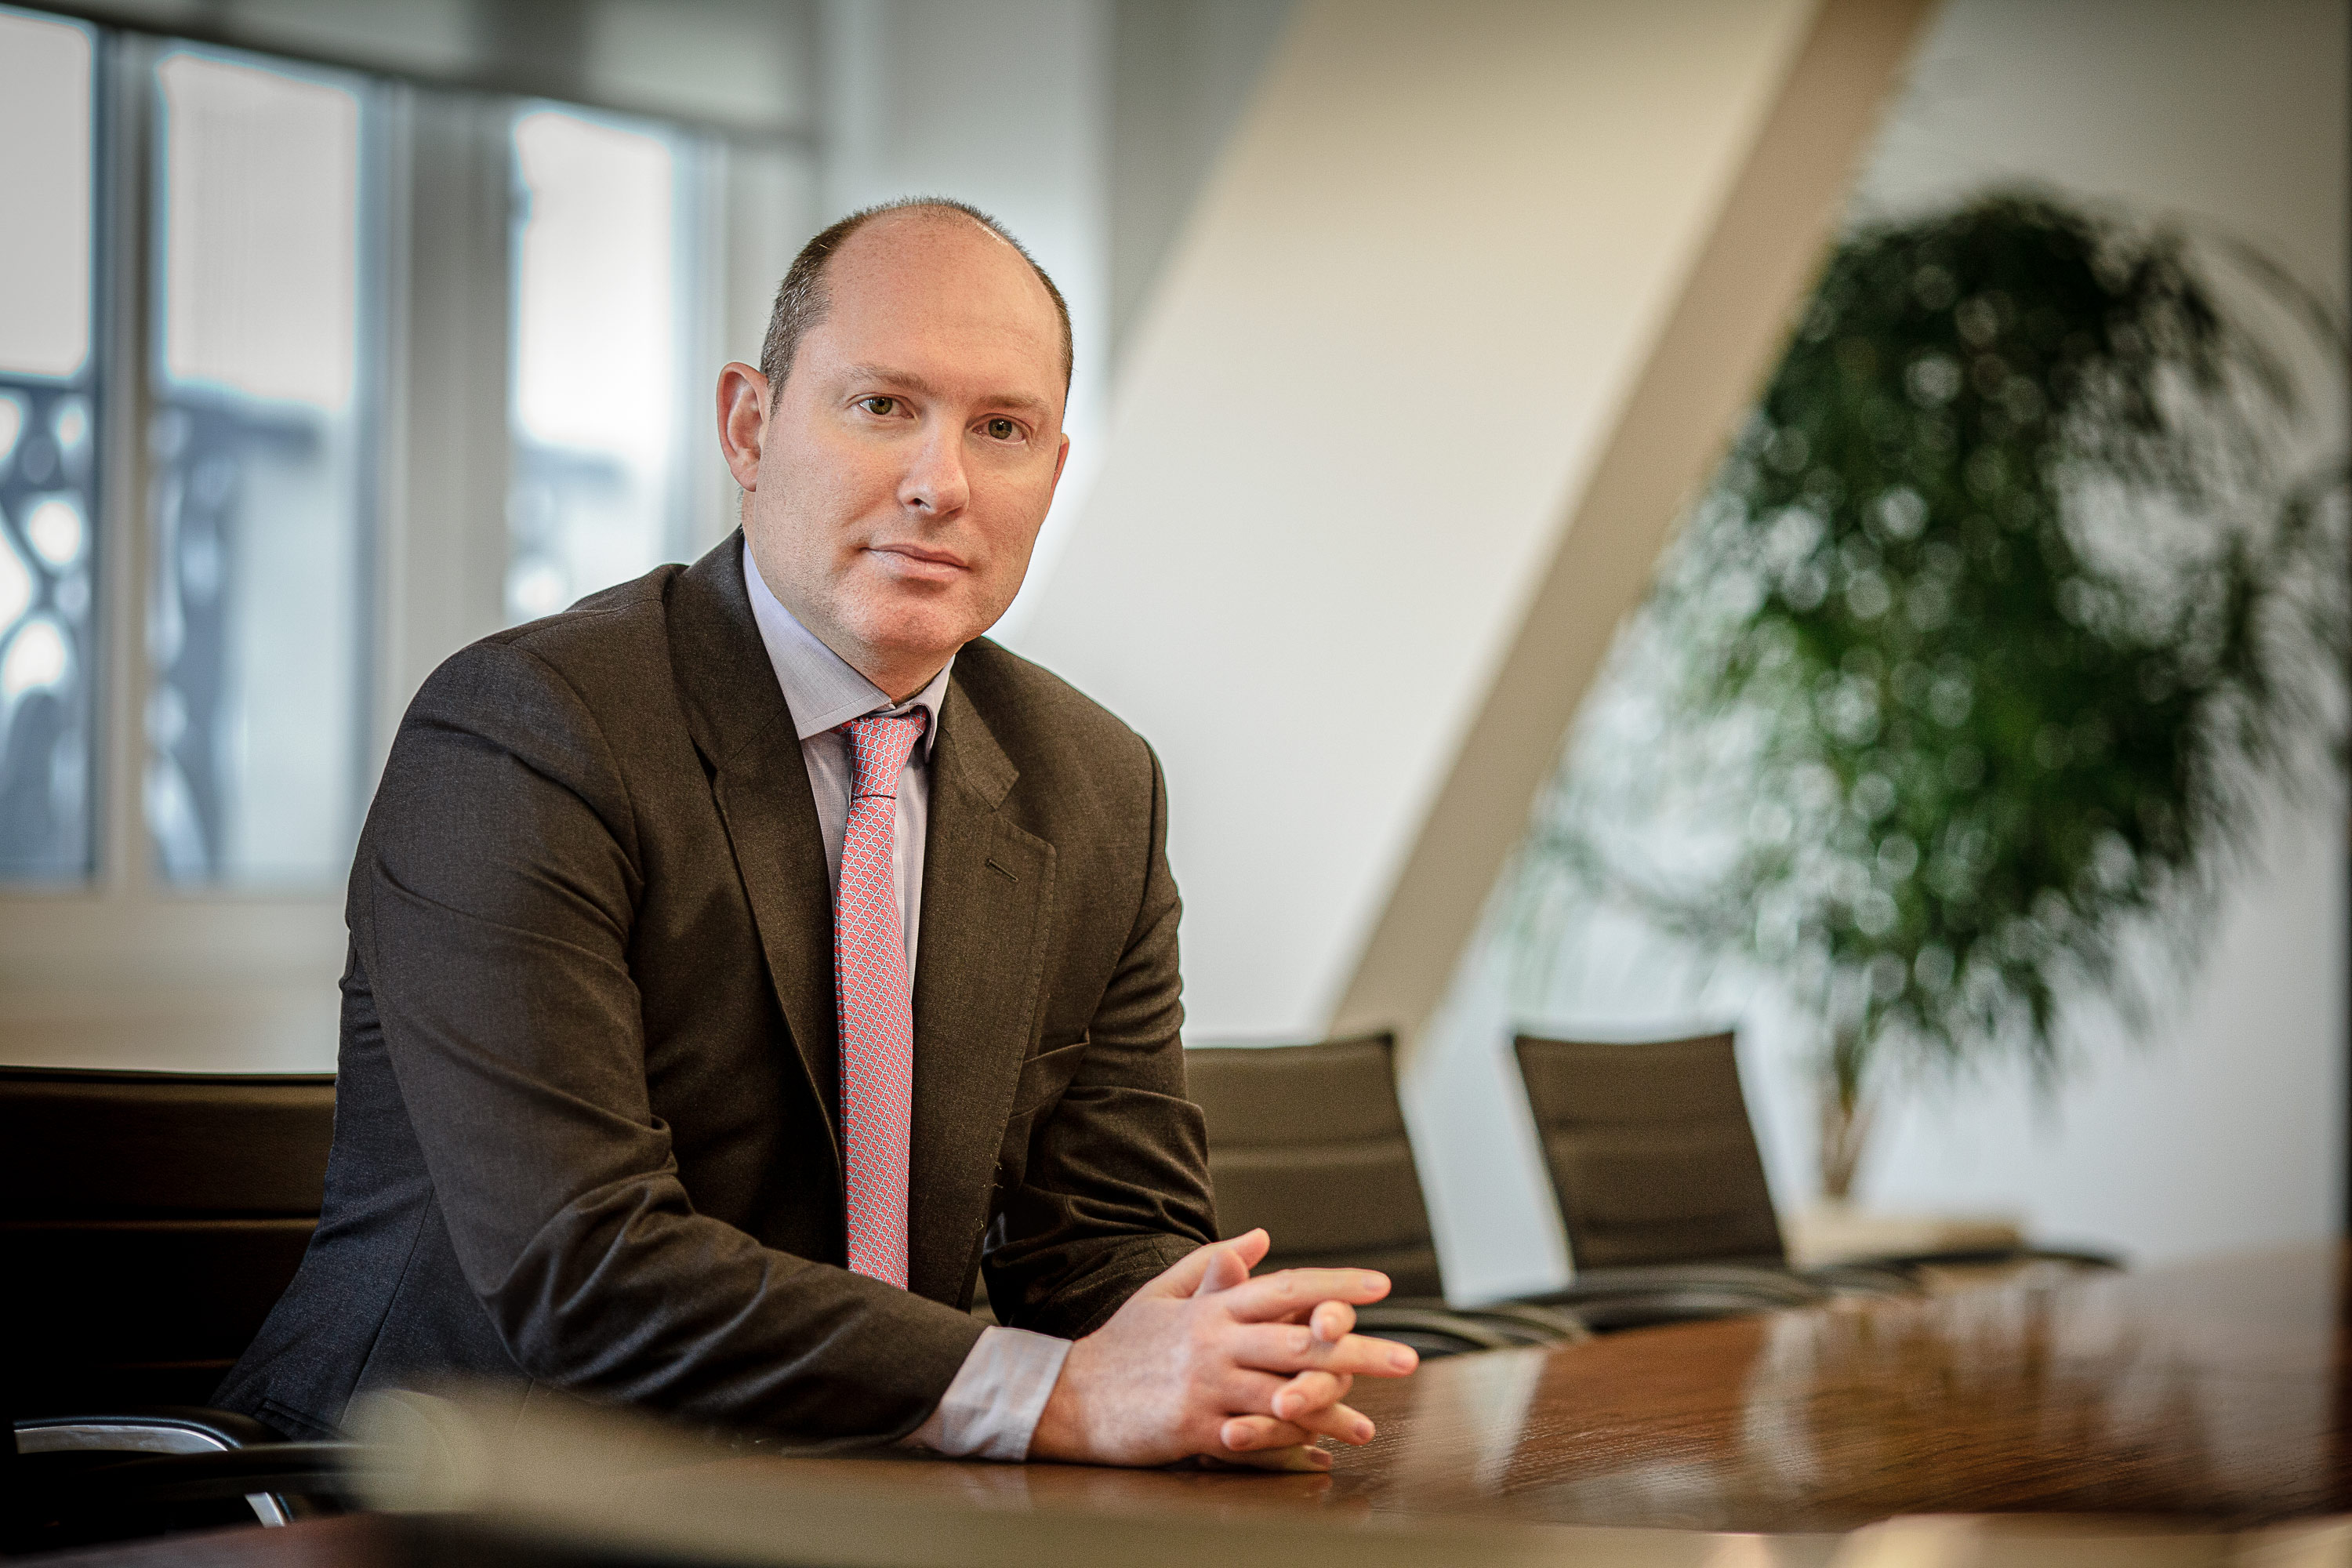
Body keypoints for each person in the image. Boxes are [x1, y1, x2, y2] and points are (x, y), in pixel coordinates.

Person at [218, 198, 1416, 1468]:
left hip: (847, 1491)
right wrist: (1055, 1394)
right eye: (882, 406)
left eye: (1000, 429)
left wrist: (1222, 1357)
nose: (939, 483)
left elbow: (1104, 1231)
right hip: (439, 1491)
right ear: (750, 424)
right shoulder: (530, 732)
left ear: (1052, 474)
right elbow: (582, 1267)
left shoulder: (1097, 786)